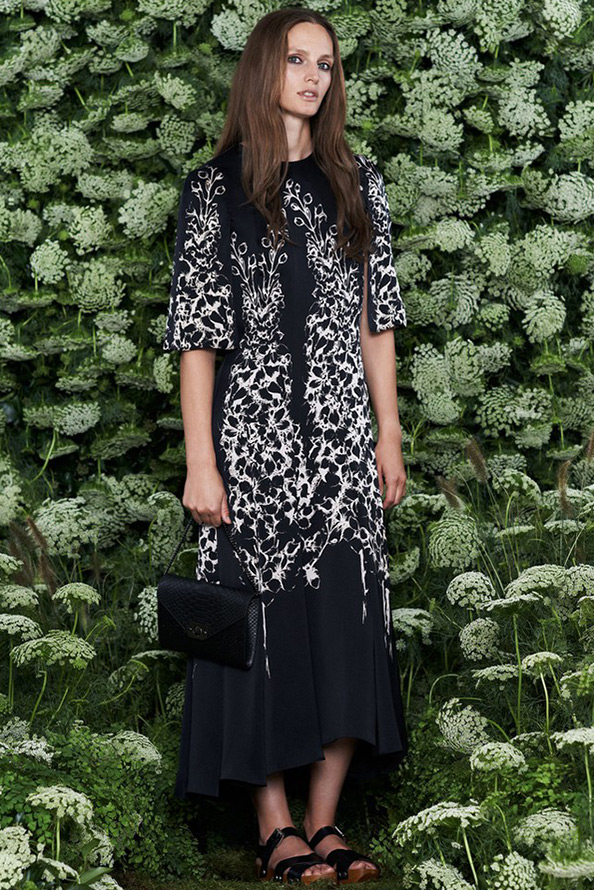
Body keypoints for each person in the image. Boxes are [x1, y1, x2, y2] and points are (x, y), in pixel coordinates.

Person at [162, 6, 408, 884]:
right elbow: (197, 337)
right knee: (257, 628)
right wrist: (202, 462)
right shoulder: (213, 190)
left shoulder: (358, 181)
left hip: (341, 440)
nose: (313, 76)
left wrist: (387, 432)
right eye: (297, 60)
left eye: (326, 64)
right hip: (253, 445)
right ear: (264, 69)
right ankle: (274, 827)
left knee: (346, 619)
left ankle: (325, 821)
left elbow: (377, 319)